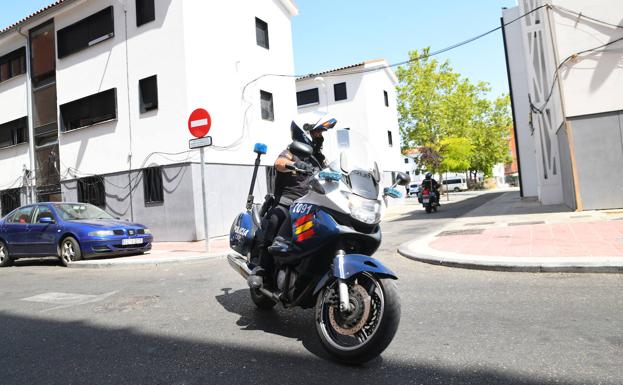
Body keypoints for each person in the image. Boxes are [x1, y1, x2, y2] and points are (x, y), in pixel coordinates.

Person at [248, 118, 335, 288]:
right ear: (306, 134)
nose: (320, 136)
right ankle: (261, 269)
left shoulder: (319, 158)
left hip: (311, 203)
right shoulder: (291, 151)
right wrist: (295, 164)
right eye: (317, 132)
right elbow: (279, 163)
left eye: (322, 133)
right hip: (287, 202)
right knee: (275, 220)